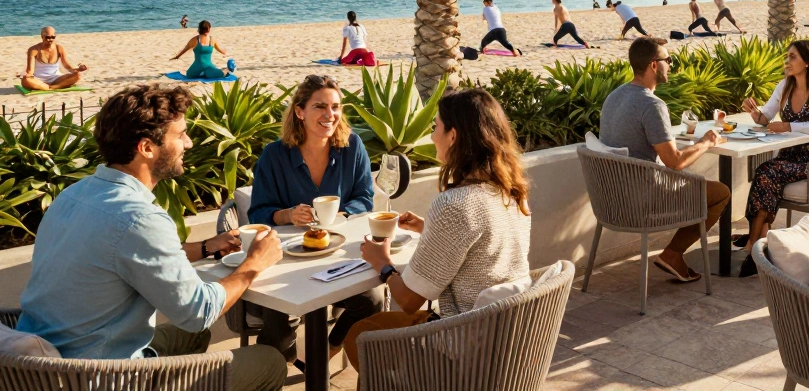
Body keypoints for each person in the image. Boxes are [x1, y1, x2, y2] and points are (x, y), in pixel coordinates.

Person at [17, 83, 287, 391]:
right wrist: (254, 263)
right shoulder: (140, 218)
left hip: (39, 368)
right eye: (180, 134)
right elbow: (198, 312)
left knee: (189, 337)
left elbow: (122, 255)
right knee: (269, 361)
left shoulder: (74, 195)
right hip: (100, 378)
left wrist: (205, 247)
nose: (187, 142)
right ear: (147, 147)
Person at [345, 89, 532, 371]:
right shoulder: (513, 193)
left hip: (461, 351)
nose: (432, 136)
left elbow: (409, 300)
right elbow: (483, 244)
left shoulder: (454, 205)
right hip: (504, 341)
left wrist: (381, 263)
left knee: (360, 336)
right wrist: (428, 228)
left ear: (453, 136)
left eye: (436, 128)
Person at [247, 75, 379, 361]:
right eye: (320, 106)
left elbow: (364, 198)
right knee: (277, 324)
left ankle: (327, 351)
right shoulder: (273, 156)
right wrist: (287, 215)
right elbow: (256, 213)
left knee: (372, 301)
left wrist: (341, 214)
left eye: (336, 107)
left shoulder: (352, 147)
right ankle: (273, 367)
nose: (330, 115)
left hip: (337, 258)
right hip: (285, 262)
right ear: (299, 111)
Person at [599, 37, 728, 282]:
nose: (671, 64)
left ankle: (673, 256)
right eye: (668, 60)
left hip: (610, 198)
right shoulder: (652, 104)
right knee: (720, 192)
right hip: (644, 200)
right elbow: (675, 162)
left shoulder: (613, 97)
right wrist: (706, 142)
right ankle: (672, 254)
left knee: (693, 183)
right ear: (654, 66)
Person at [735, 40, 809, 276]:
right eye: (787, 56)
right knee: (766, 172)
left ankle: (753, 244)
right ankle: (761, 241)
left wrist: (789, 125)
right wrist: (754, 112)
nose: (787, 61)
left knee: (766, 172)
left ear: (807, 62)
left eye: (792, 57)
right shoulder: (785, 86)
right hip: (787, 155)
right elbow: (766, 117)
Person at [18, 26, 88, 91]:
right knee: (25, 80)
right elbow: (30, 71)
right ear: (42, 37)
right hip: (38, 79)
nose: (50, 39)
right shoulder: (33, 50)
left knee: (77, 76)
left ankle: (51, 87)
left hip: (56, 78)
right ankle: (50, 87)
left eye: (53, 37)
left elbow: (66, 65)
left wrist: (78, 69)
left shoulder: (59, 48)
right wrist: (26, 75)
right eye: (47, 37)